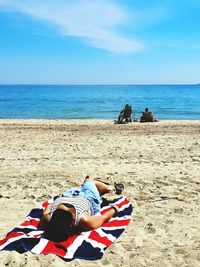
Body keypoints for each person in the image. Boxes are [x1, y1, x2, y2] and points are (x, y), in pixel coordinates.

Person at [39, 176, 121, 242]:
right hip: (88, 198)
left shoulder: (47, 220)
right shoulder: (84, 220)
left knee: (85, 185)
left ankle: (88, 184)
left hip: (69, 194)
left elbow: (48, 206)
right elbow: (103, 218)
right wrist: (115, 208)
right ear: (72, 225)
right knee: (90, 183)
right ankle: (110, 188)